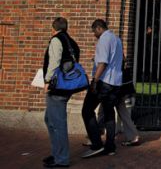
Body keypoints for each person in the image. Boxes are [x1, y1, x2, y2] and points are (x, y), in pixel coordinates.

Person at [81, 19, 124, 158]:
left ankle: (96, 144)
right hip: (116, 82)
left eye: (94, 31)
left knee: (87, 110)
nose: (94, 35)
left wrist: (95, 80)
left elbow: (103, 62)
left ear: (99, 28)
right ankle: (110, 146)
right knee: (109, 113)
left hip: (104, 82)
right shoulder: (117, 39)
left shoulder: (104, 40)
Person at [42, 17, 81, 168]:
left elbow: (54, 62)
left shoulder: (56, 40)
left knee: (57, 123)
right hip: (67, 86)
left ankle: (61, 159)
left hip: (57, 86)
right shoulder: (72, 42)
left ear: (54, 28)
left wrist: (47, 81)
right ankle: (56, 153)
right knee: (49, 119)